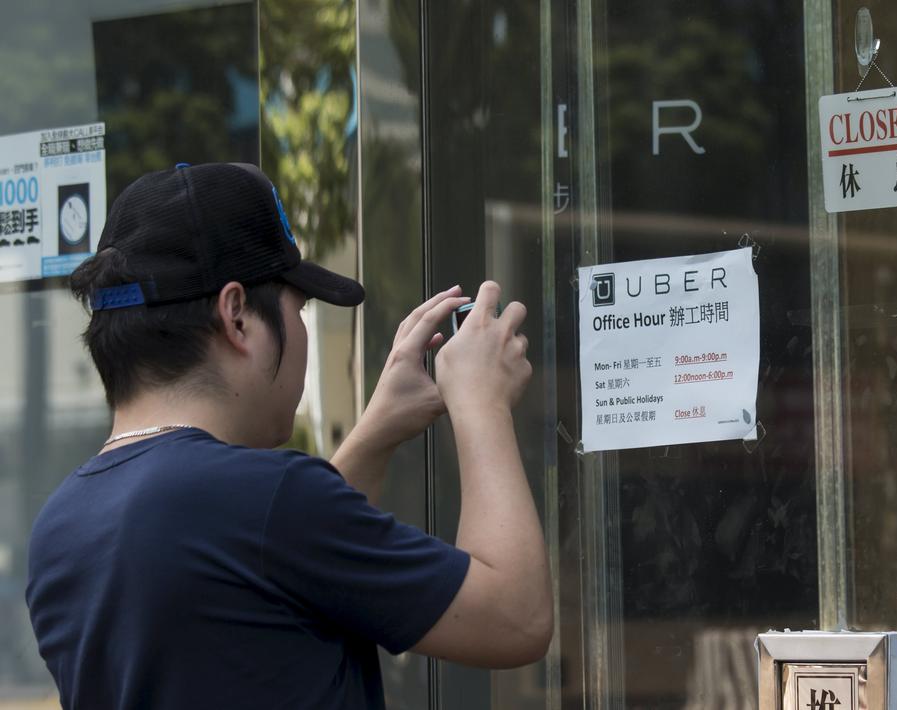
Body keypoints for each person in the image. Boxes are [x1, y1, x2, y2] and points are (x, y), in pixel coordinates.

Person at [24, 162, 552, 708]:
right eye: (298, 307)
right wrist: (481, 403)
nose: (300, 329)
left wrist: (377, 429)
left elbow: (271, 561)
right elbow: (516, 617)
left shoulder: (60, 530)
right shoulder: (264, 500)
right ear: (237, 317)